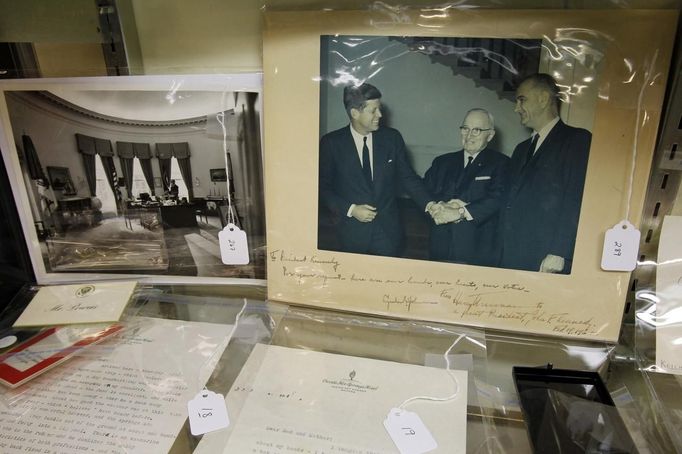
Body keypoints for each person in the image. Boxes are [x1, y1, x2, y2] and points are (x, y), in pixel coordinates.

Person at [318, 83, 437, 257]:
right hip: (350, 233)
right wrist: (351, 210)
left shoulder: (392, 139)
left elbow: (408, 179)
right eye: (373, 111)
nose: (380, 115)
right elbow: (322, 188)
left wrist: (431, 205)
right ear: (355, 113)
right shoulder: (331, 143)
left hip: (388, 233)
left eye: (379, 109)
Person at [498, 73, 591, 274]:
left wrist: (560, 251)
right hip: (511, 255)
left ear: (543, 99)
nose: (516, 108)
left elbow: (575, 198)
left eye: (521, 100)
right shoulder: (521, 149)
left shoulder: (577, 140)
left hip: (546, 259)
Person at [423, 108, 509, 266]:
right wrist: (437, 206)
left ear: (490, 135)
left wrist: (460, 212)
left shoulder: (502, 163)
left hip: (477, 249)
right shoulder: (442, 162)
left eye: (476, 130)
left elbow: (498, 199)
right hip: (440, 246)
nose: (469, 135)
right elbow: (424, 193)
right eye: (465, 129)